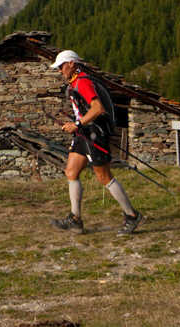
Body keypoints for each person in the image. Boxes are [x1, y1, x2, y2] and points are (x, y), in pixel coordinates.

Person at [49, 49, 143, 235]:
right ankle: (75, 219)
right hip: (84, 134)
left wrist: (76, 124)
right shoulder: (76, 82)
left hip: (94, 134)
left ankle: (132, 215)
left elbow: (98, 108)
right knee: (71, 171)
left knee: (103, 177)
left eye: (61, 67)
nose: (60, 71)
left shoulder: (83, 82)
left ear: (71, 64)